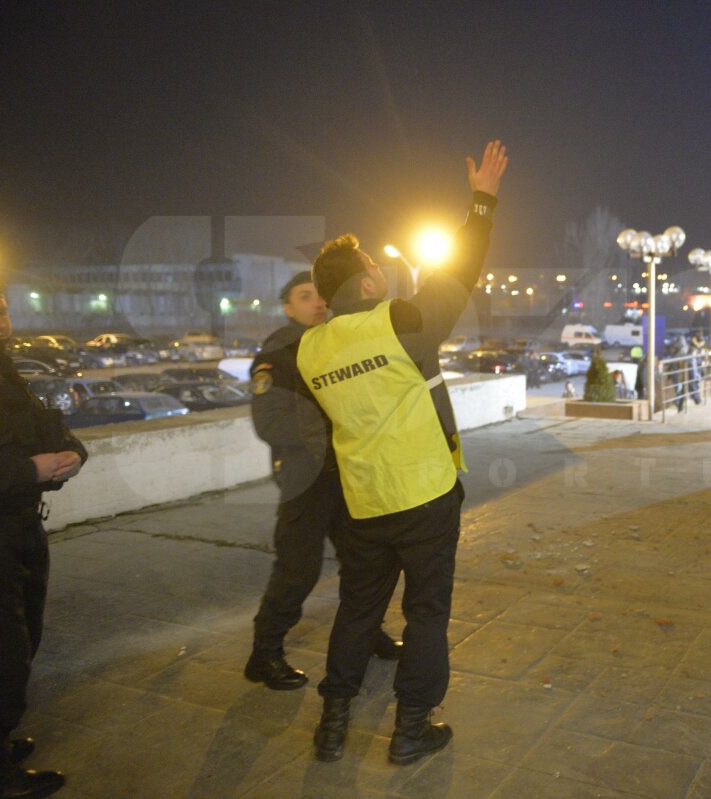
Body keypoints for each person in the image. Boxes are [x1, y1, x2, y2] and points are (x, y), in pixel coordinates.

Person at [297, 140, 507, 765]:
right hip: (423, 495)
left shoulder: (311, 348)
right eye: (372, 263)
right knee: (426, 614)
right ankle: (412, 729)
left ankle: (333, 724)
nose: (379, 268)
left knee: (358, 610)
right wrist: (482, 203)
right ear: (368, 280)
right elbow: (458, 275)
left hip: (364, 502)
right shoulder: (398, 321)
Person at [245, 272, 403, 691]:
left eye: (320, 295)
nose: (317, 302)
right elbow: (269, 423)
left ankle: (367, 633)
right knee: (298, 569)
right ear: (287, 307)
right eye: (304, 296)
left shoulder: (338, 342)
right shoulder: (277, 355)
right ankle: (264, 653)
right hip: (306, 480)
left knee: (365, 562)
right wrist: (334, 431)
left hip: (348, 475)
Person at [0, 279, 86, 799]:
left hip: (22, 527)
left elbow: (48, 430)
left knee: (24, 637)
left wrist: (73, 454)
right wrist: (28, 470)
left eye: (2, 311)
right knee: (2, 655)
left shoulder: (7, 373)